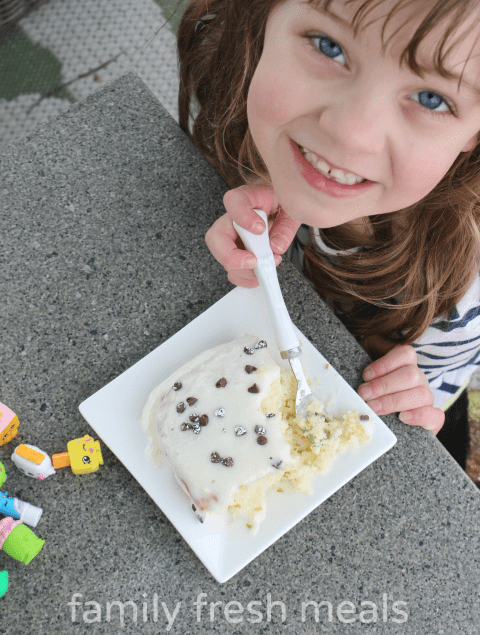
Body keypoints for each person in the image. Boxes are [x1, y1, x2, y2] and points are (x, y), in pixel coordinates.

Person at [176, 0, 480, 469]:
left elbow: (423, 405)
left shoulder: (459, 295)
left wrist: (411, 406)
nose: (350, 133)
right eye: (329, 46)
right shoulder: (237, 109)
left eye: (430, 99)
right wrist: (255, 197)